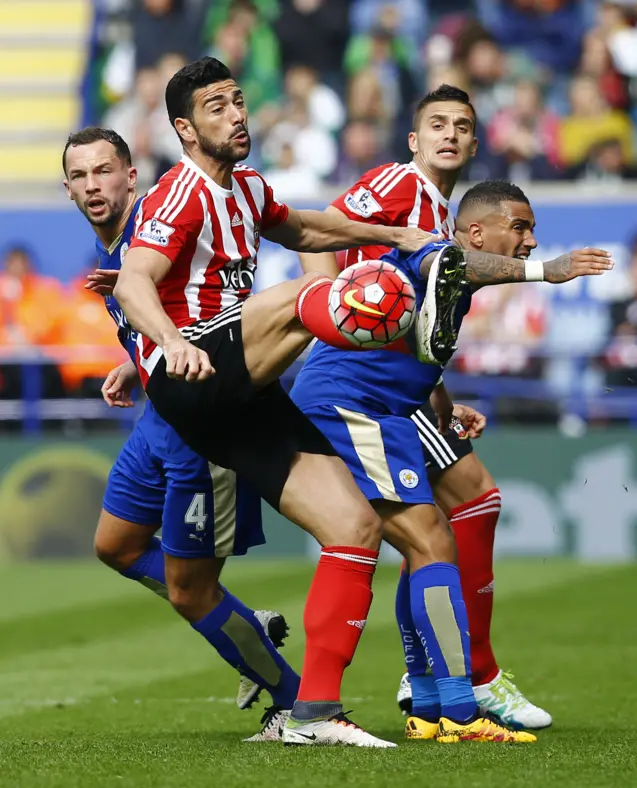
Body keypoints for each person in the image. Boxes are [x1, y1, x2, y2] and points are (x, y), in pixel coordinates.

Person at [112, 56, 436, 747]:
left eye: (238, 101)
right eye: (218, 107)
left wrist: (393, 235)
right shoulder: (180, 194)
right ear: (185, 129)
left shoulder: (249, 188)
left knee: (355, 527)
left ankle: (313, 713)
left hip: (245, 388)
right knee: (300, 295)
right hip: (193, 374)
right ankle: (388, 318)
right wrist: (168, 340)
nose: (237, 115)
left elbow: (306, 230)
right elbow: (133, 279)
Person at [294, 85, 612, 738]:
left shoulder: (438, 216)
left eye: (461, 126)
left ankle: (437, 692)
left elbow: (421, 320)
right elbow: (315, 227)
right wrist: (323, 303)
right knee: (422, 537)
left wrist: (439, 399)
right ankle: (456, 694)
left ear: (474, 141)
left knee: (459, 515)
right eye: (435, 123)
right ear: (414, 139)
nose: (448, 134)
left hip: (399, 397)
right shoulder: (400, 186)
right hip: (355, 390)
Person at [62, 126, 303, 739]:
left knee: (190, 593)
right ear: (67, 189)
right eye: (81, 175)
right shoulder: (112, 251)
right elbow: (167, 312)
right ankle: (246, 621)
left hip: (200, 429)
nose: (94, 184)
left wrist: (166, 341)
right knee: (114, 546)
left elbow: (211, 304)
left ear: (131, 176)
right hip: (156, 421)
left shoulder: (156, 224)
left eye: (104, 171)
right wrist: (135, 360)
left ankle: (292, 700)